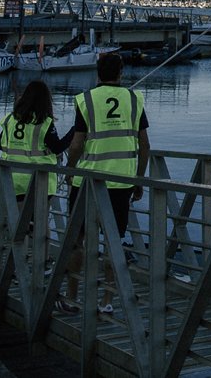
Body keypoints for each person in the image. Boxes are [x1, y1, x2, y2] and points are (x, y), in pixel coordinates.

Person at [66, 50, 150, 315]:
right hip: (121, 181)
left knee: (77, 240)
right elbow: (144, 145)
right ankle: (107, 300)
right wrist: (139, 178)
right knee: (114, 241)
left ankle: (71, 296)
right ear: (121, 72)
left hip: (88, 180)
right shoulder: (135, 99)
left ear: (97, 72)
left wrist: (70, 170)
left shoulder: (86, 100)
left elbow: (77, 143)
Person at [0, 79, 69, 206]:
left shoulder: (10, 119)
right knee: (37, 222)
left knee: (17, 220)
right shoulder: (43, 122)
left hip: (11, 179)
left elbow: (0, 144)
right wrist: (75, 131)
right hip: (39, 181)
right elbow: (57, 148)